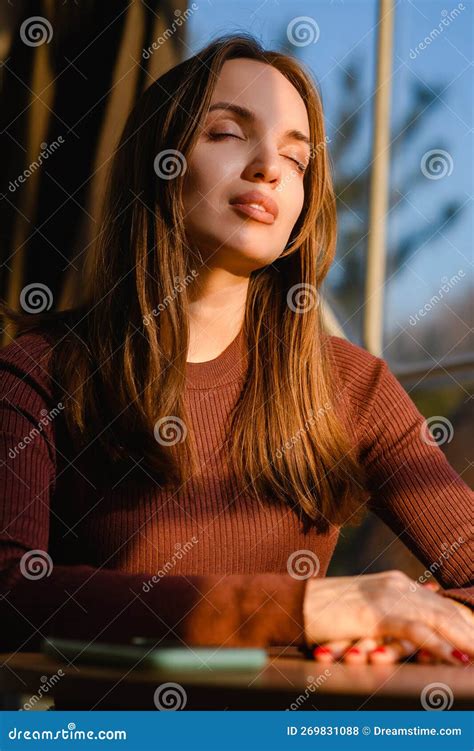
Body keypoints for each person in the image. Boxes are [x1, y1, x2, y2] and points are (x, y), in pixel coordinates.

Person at [0, 33, 472, 669]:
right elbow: (10, 594)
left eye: (296, 160)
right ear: (159, 161)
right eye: (227, 133)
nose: (268, 168)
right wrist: (310, 608)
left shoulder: (352, 386)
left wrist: (402, 625)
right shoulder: (39, 367)